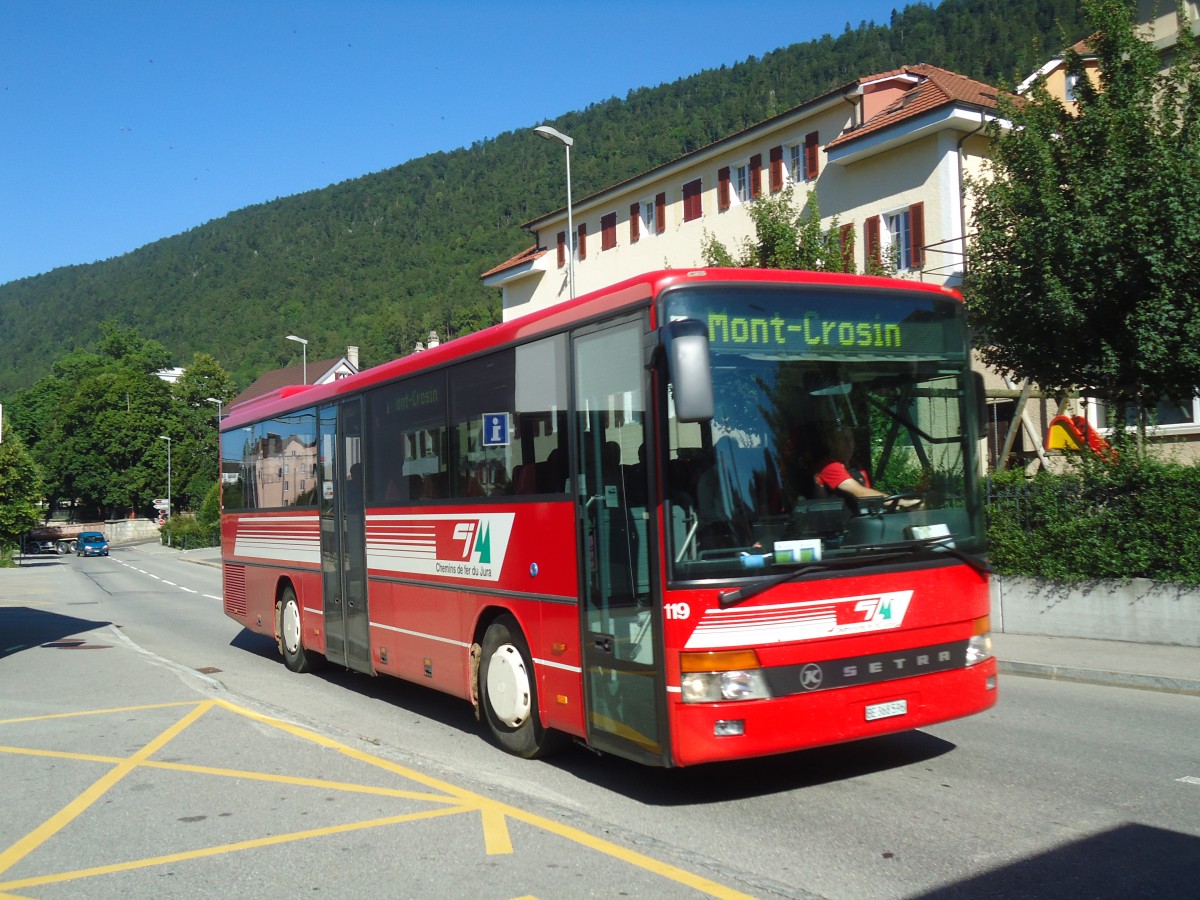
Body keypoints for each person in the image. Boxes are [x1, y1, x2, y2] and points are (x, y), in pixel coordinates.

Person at [815, 425, 920, 508]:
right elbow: (862, 493)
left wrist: (893, 505)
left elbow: (870, 495)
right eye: (842, 439)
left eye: (850, 439)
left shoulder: (856, 465)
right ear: (831, 443)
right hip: (842, 528)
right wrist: (903, 503)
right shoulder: (829, 466)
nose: (848, 443)